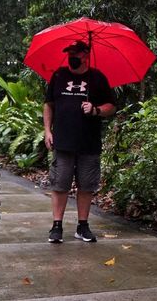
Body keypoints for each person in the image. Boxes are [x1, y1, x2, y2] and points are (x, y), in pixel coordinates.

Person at [43, 40, 116, 243]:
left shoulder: (98, 78)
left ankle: (82, 226)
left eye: (75, 53)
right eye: (69, 52)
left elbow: (112, 106)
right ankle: (56, 226)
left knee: (86, 185)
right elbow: (48, 105)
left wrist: (96, 110)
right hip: (63, 141)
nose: (71, 56)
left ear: (86, 54)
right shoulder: (58, 75)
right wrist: (47, 130)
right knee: (60, 183)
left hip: (88, 142)